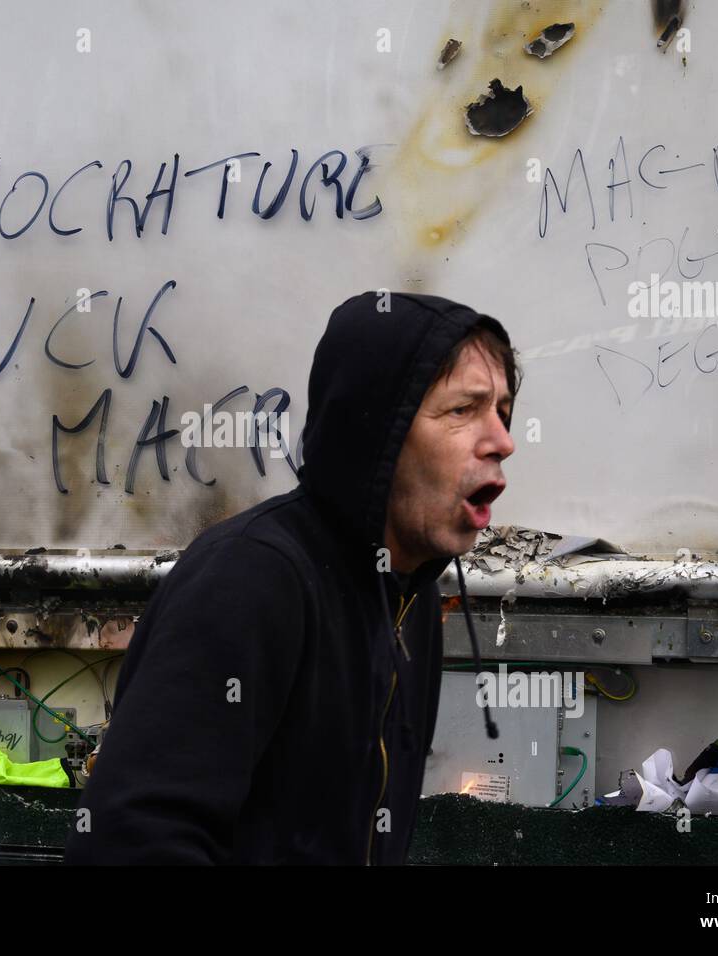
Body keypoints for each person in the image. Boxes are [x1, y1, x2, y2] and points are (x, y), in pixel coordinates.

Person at [63, 291, 520, 864]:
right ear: (377, 430)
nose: (502, 440)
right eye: (462, 410)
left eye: (502, 411)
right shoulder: (252, 578)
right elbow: (133, 840)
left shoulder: (410, 596)